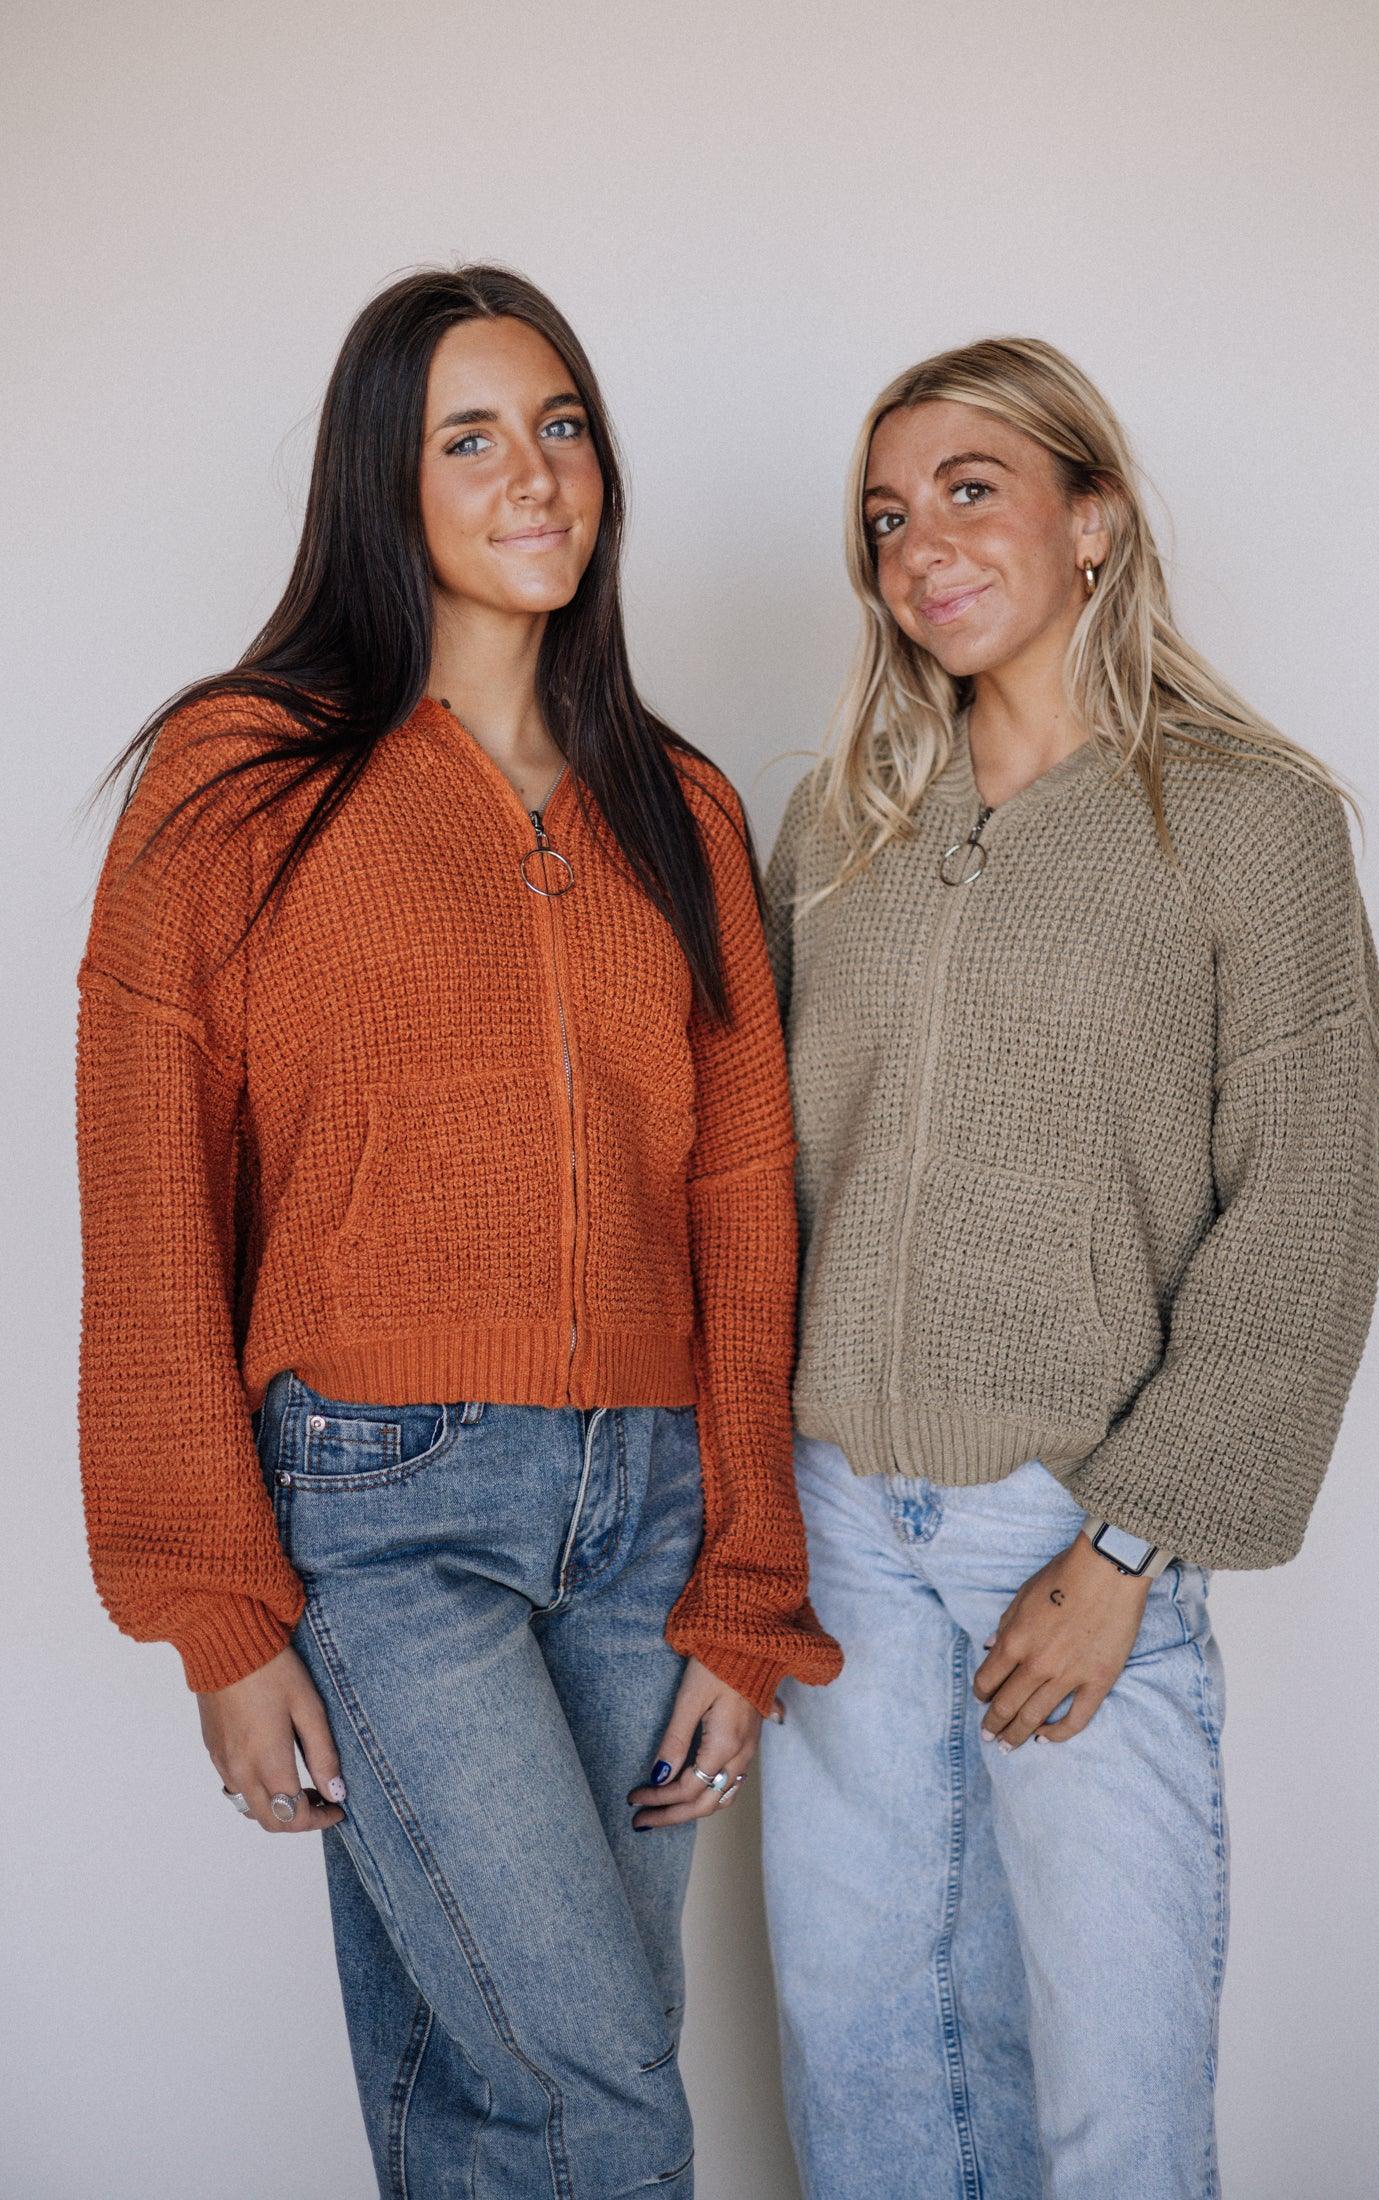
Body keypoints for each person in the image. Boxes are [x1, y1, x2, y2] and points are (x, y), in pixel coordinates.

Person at [75, 263, 840, 2200]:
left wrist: (746, 1584)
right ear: (381, 481)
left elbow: (744, 1210)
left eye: (561, 427)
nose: (536, 476)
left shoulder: (677, 803)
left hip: (650, 1511)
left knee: (488, 2090)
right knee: (601, 2083)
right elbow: (148, 1192)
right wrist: (215, 1606)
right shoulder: (238, 781)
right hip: (378, 1509)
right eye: (471, 438)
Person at [758, 335, 1379, 2199]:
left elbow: (1307, 1208)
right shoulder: (841, 826)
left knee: (1115, 2106)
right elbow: (763, 1183)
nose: (923, 547)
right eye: (887, 518)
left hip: (1069, 1523)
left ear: (1092, 516)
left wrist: (1125, 1552)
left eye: (972, 490)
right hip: (837, 1531)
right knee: (866, 2073)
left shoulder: (1250, 819)